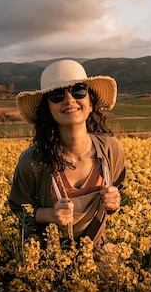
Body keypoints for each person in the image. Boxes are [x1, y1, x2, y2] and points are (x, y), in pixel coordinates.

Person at [8, 59, 126, 258]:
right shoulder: (33, 161)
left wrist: (115, 202)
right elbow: (17, 211)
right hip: (49, 259)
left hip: (98, 252)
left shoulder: (110, 150)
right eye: (57, 95)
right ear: (47, 109)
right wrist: (50, 215)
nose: (69, 99)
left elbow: (118, 196)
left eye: (78, 90)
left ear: (90, 102)